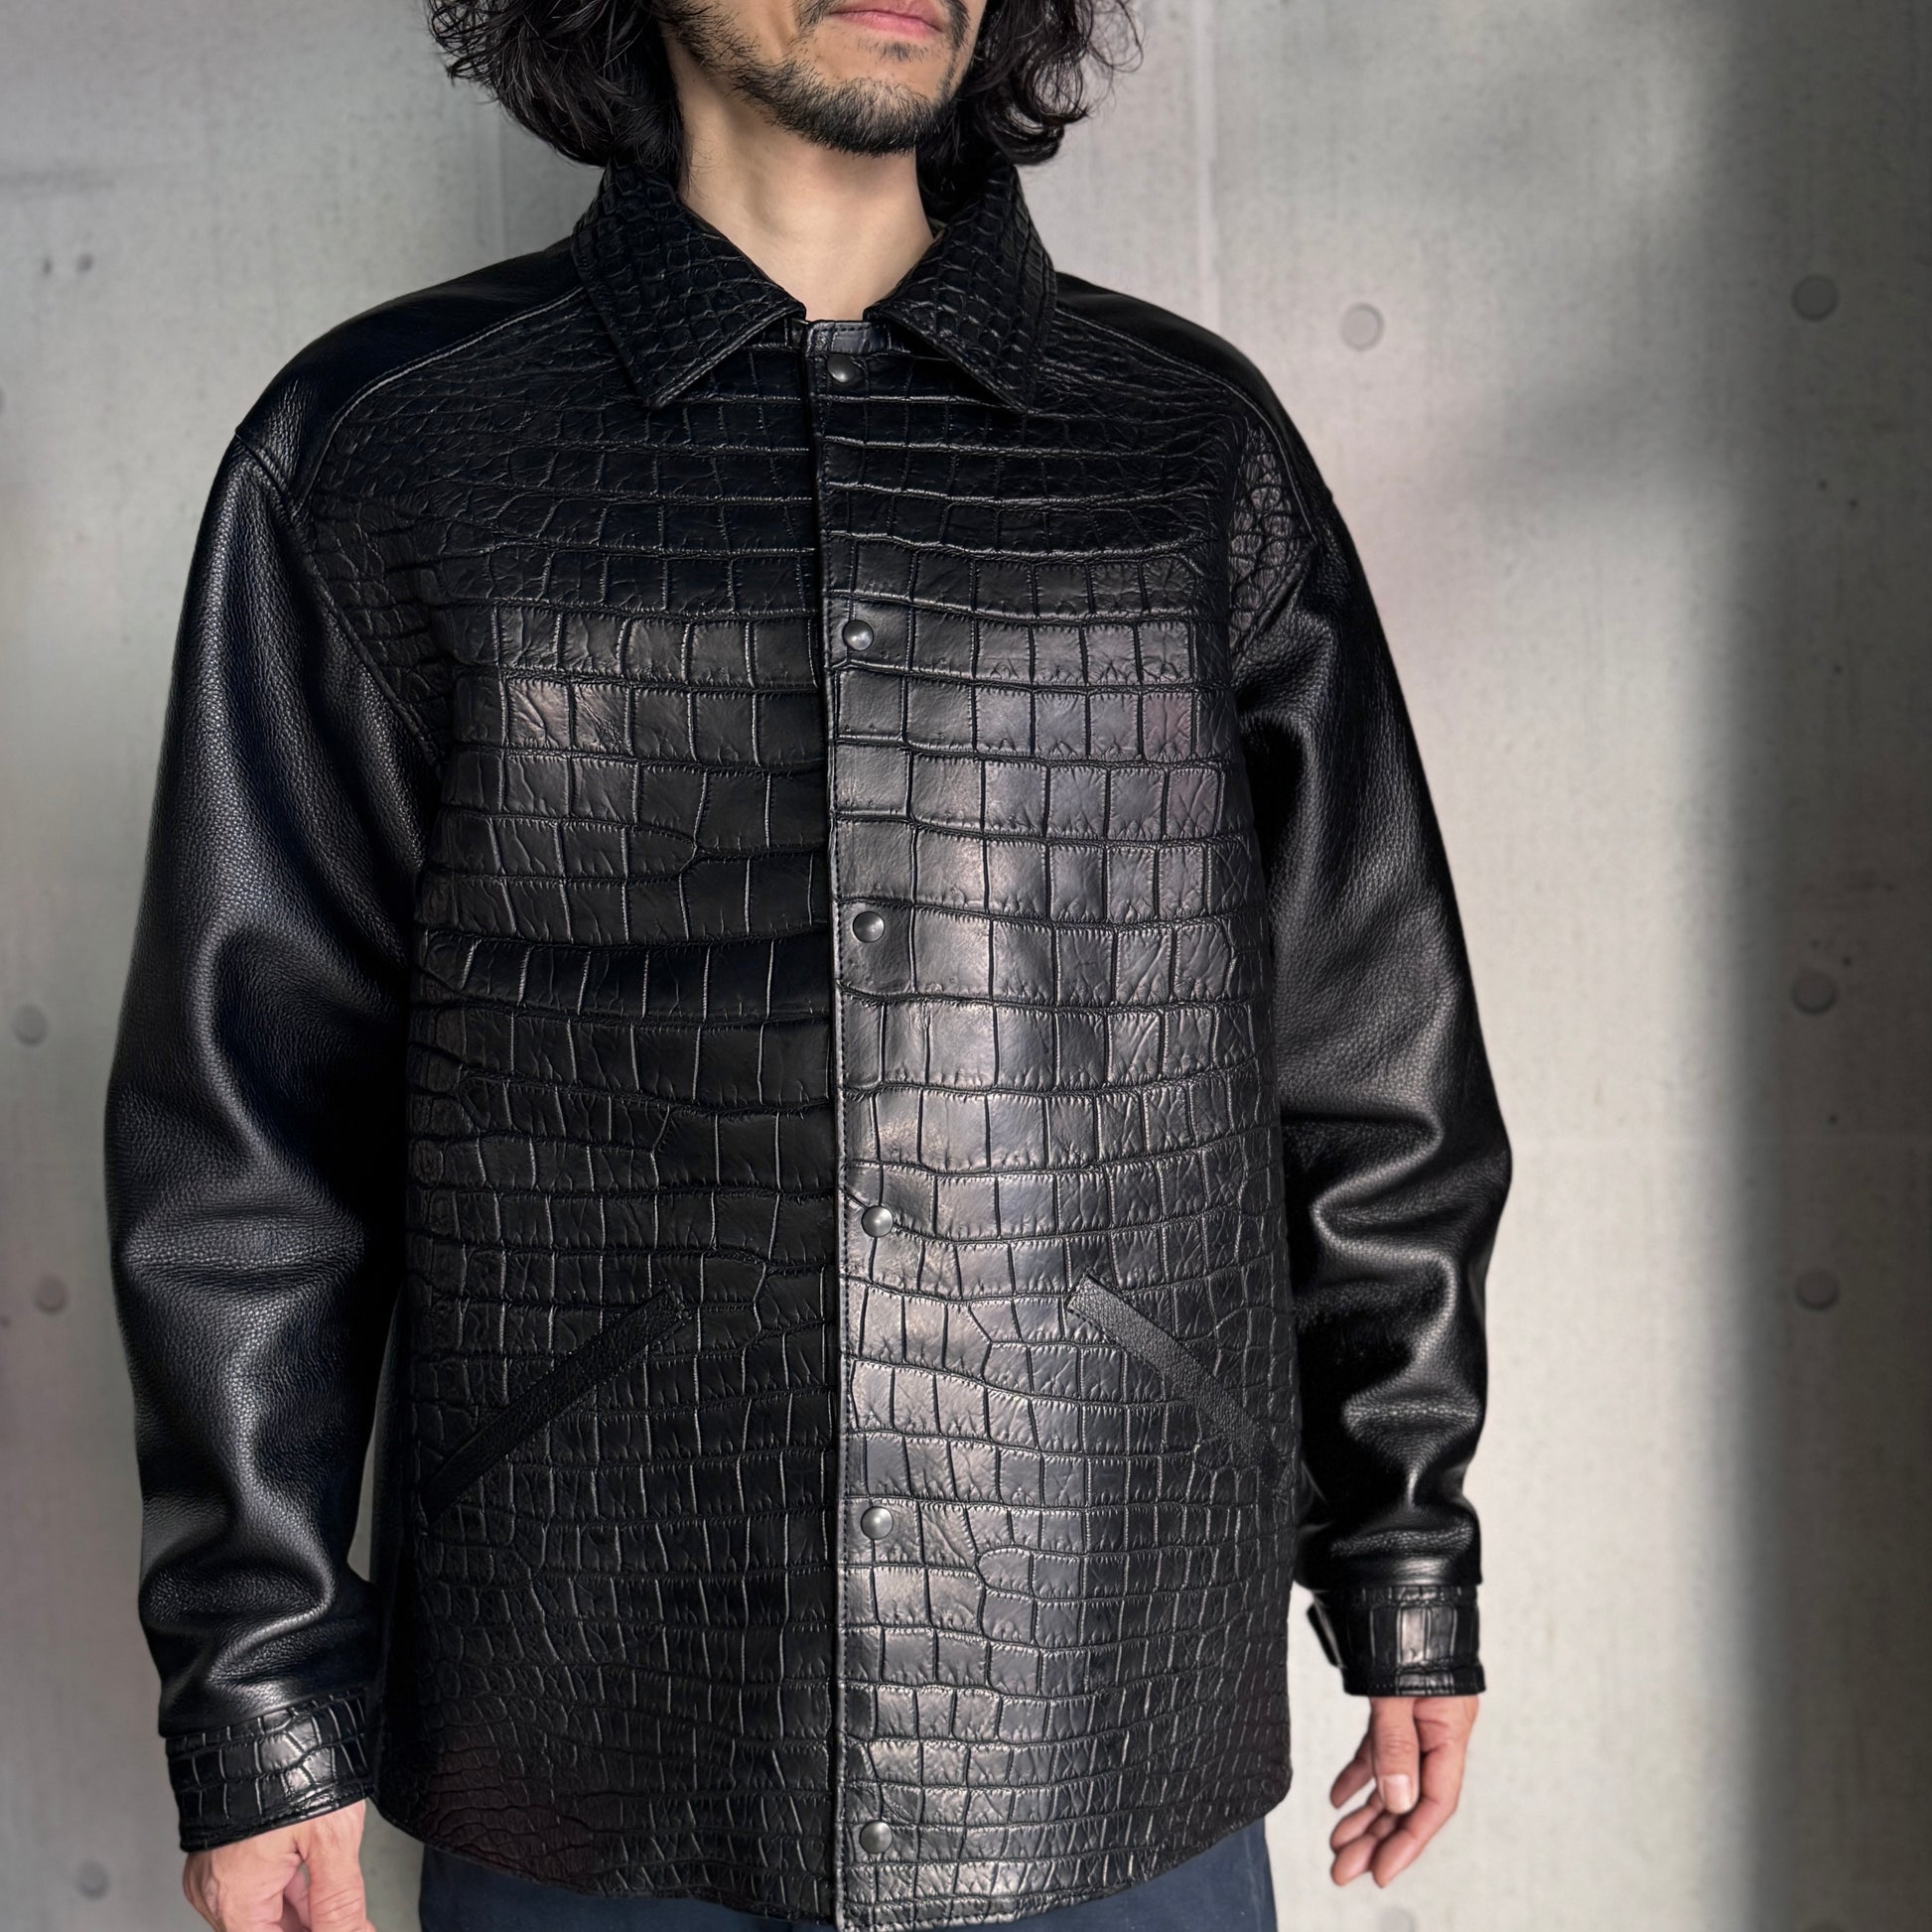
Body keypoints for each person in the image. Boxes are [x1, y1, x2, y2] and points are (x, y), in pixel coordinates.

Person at [100, 3, 1512, 1929]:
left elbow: (1368, 1051)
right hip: (585, 1713)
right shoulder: (390, 445)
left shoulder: (1187, 446)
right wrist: (258, 1691)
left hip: (1100, 1676)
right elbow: (250, 1124)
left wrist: (1405, 1555)